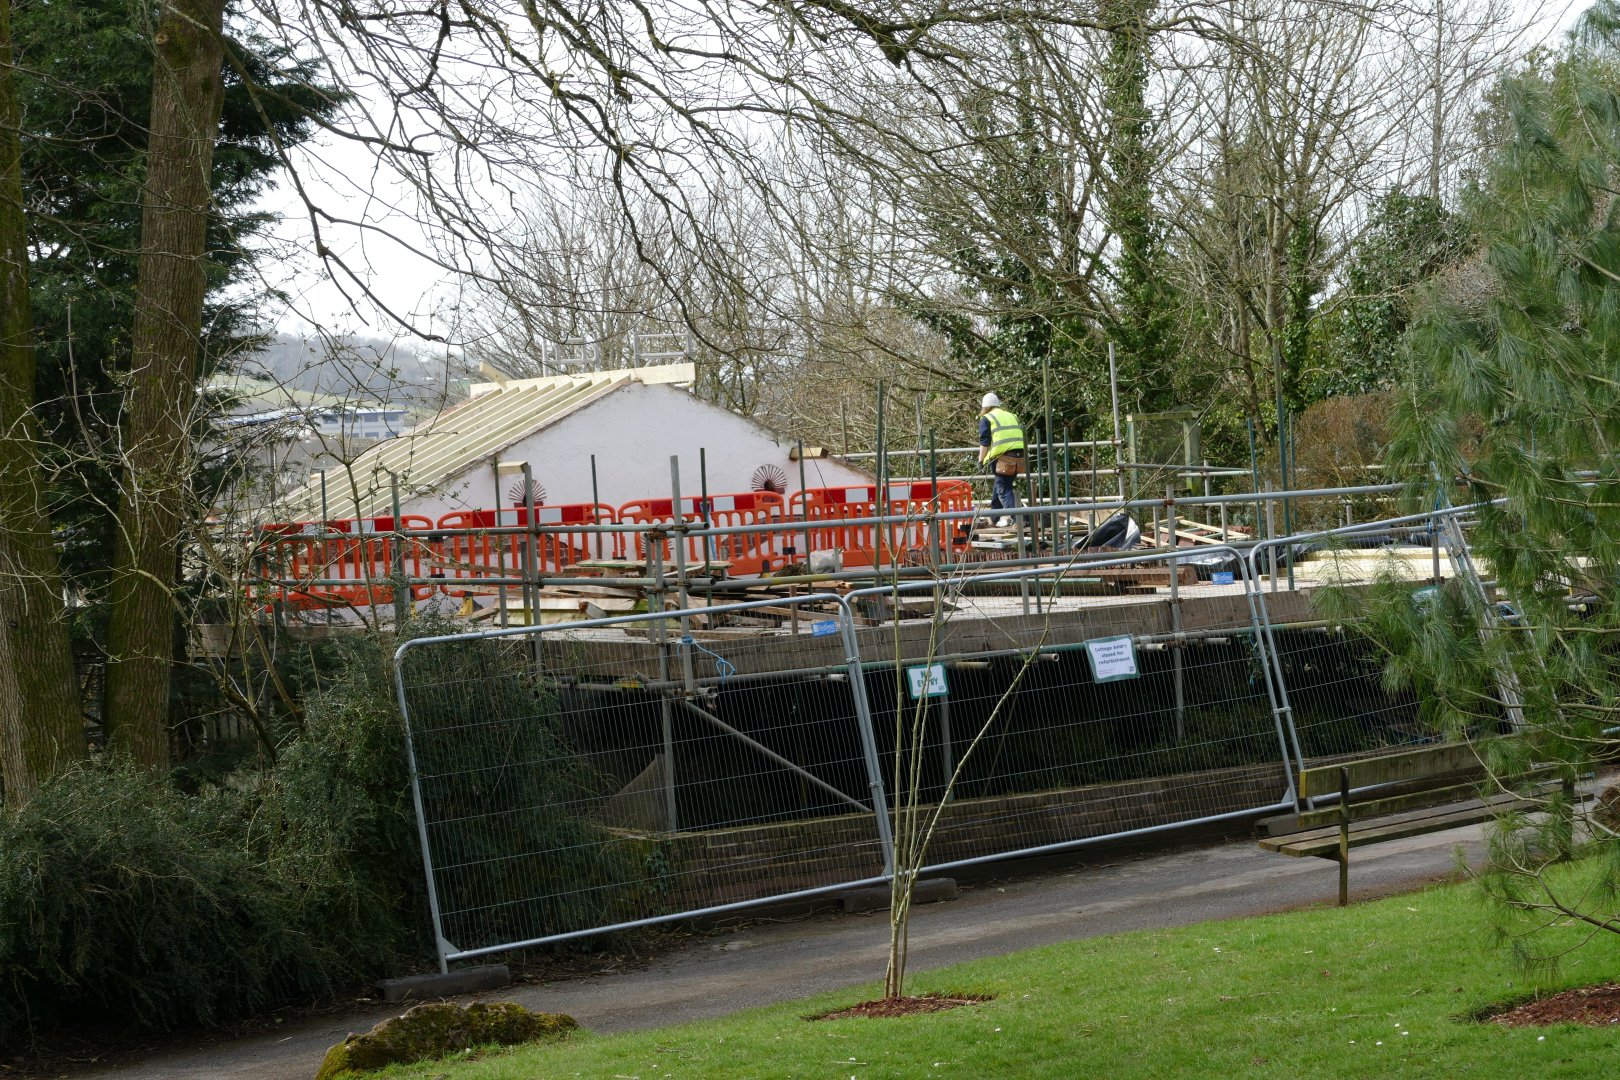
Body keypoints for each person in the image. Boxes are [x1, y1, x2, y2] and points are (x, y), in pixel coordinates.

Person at [977, 392, 1025, 527]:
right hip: (1019, 456)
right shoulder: (1011, 415)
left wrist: (981, 461)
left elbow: (985, 442)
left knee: (1003, 489)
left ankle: (1020, 519)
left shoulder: (987, 418)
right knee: (1000, 486)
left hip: (1003, 458)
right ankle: (994, 518)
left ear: (985, 407)